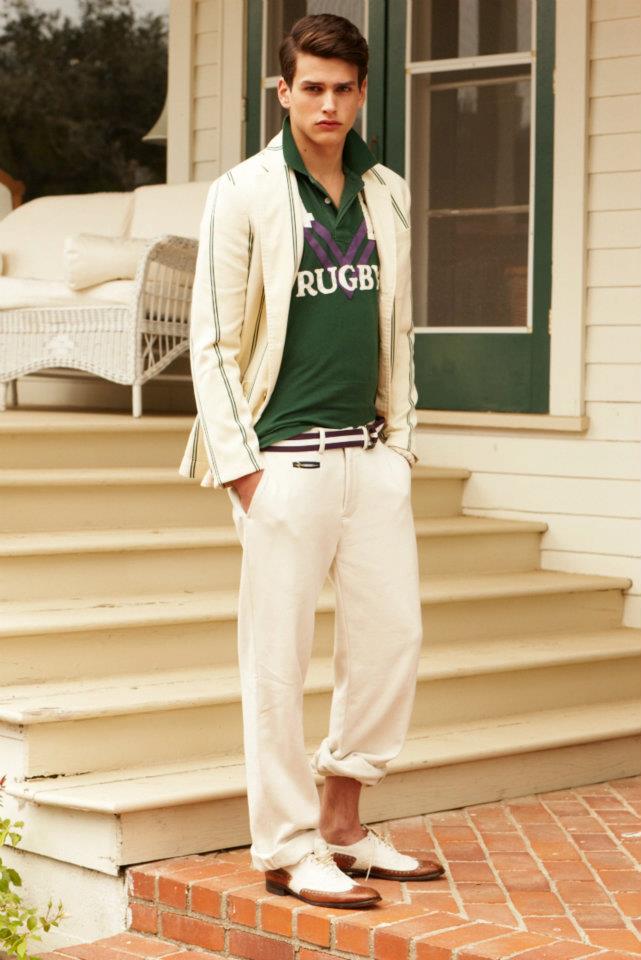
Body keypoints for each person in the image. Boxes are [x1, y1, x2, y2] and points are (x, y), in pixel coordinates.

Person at [178, 12, 445, 909]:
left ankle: (341, 824)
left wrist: (399, 449)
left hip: (368, 459)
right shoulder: (243, 193)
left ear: (361, 94)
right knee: (277, 664)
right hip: (282, 464)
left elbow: (398, 331)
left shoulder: (385, 192)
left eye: (343, 89)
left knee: (390, 642)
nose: (328, 104)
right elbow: (212, 342)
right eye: (312, 87)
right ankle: (287, 847)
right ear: (283, 91)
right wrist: (243, 473)